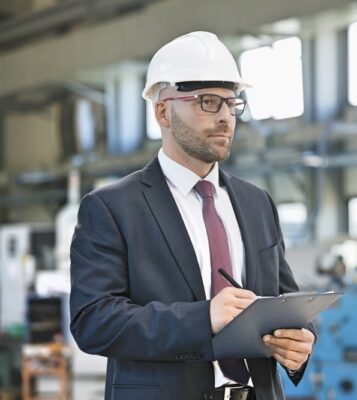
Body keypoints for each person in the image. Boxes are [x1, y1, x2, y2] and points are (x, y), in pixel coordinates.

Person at [69, 31, 315, 400]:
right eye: (207, 102)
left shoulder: (256, 202)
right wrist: (203, 319)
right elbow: (94, 321)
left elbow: (283, 300)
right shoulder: (113, 208)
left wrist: (298, 342)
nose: (225, 118)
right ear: (162, 110)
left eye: (232, 104)